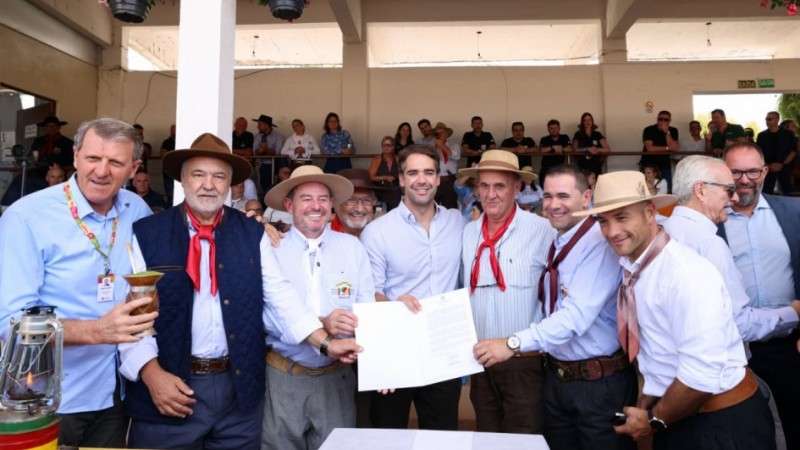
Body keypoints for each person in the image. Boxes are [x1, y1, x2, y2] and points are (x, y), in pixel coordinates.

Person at [120, 133, 360, 449]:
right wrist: (151, 375)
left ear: (232, 184)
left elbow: (280, 296)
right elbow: (131, 316)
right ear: (182, 178)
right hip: (169, 392)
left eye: (219, 176)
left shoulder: (251, 232)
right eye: (199, 175)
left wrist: (326, 343)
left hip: (237, 395)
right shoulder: (147, 233)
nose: (209, 185)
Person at [577, 171, 774, 450]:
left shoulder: (684, 273)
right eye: (603, 221)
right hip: (679, 416)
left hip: (719, 426)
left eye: (622, 217)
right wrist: (648, 406)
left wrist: (652, 421)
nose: (611, 232)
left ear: (649, 213)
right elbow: (660, 354)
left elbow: (701, 376)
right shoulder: (638, 268)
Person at [0, 118, 156, 447]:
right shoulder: (26, 216)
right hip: (50, 399)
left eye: (115, 162)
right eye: (93, 158)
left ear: (134, 167)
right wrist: (96, 331)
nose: (102, 171)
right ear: (75, 156)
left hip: (116, 394)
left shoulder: (136, 210)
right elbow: (10, 321)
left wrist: (261, 228)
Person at [474, 164, 637, 450]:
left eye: (563, 196)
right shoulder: (560, 240)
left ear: (586, 197)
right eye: (548, 197)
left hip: (598, 383)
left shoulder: (598, 243)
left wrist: (512, 343)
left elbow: (575, 317)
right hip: (559, 377)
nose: (553, 205)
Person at [262, 165, 373, 450]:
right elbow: (269, 314)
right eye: (306, 198)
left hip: (336, 379)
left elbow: (367, 310)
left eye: (323, 198)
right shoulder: (269, 246)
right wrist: (322, 322)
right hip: (284, 376)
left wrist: (378, 359)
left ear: (332, 205)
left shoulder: (352, 248)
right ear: (289, 205)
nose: (316, 206)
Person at [360, 144, 465, 431]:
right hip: (396, 350)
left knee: (442, 436)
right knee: (388, 434)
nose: (422, 179)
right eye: (413, 172)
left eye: (429, 172)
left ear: (438, 178)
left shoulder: (457, 222)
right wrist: (393, 306)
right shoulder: (377, 232)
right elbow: (370, 294)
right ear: (402, 179)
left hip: (444, 351)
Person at [460, 150, 555, 434]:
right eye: (484, 186)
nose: (490, 194)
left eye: (499, 186)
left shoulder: (543, 231)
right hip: (480, 363)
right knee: (488, 437)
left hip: (524, 364)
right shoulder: (468, 233)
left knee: (524, 439)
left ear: (517, 188)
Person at [665, 155, 800, 344]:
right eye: (729, 190)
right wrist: (793, 313)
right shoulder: (710, 244)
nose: (735, 198)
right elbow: (739, 325)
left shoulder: (663, 231)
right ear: (700, 190)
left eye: (753, 171)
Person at [720, 143, 800, 450]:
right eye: (735, 171)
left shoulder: (793, 212)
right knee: (744, 434)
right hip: (736, 352)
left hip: (790, 347)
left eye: (752, 170)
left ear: (764, 172)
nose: (744, 179)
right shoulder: (712, 223)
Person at [333, 168, 389, 238]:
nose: (359, 209)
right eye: (351, 200)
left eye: (366, 200)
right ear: (336, 202)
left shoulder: (384, 235)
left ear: (374, 201)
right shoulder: (321, 237)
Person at [757, 111, 797, 195]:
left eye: (769, 119)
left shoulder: (788, 134)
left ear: (777, 120)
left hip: (784, 167)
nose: (767, 121)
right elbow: (759, 153)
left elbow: (793, 151)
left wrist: (782, 164)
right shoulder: (761, 135)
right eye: (766, 119)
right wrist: (768, 165)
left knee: (787, 192)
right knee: (767, 192)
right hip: (767, 168)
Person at [641, 110, 678, 193]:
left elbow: (674, 148)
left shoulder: (673, 130)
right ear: (657, 119)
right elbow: (650, 148)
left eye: (666, 120)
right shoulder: (649, 129)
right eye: (660, 119)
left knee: (667, 189)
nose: (663, 121)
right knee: (646, 188)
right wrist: (668, 148)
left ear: (670, 121)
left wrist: (667, 132)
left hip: (664, 164)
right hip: (648, 163)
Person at [432, 122, 461, 209]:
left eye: (442, 132)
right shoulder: (431, 146)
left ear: (447, 134)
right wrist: (435, 146)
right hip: (434, 181)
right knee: (431, 209)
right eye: (438, 133)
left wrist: (442, 146)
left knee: (450, 209)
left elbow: (456, 156)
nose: (440, 135)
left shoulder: (453, 145)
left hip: (449, 180)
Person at [253, 114, 285, 192]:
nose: (257, 126)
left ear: (266, 125)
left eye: (260, 124)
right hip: (264, 164)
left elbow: (278, 152)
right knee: (265, 183)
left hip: (277, 163)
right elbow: (255, 152)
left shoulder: (278, 136)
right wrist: (261, 150)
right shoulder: (258, 136)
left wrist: (265, 149)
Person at [572, 112, 610, 177]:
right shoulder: (578, 134)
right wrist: (587, 149)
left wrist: (597, 149)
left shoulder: (597, 134)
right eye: (585, 120)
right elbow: (574, 149)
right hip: (582, 164)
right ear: (582, 122)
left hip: (595, 164)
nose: (587, 122)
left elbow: (607, 148)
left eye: (589, 120)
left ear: (592, 121)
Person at [368, 136, 401, 210]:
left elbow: (403, 173)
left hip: (394, 188)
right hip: (380, 188)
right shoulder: (377, 159)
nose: (386, 147)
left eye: (389, 145)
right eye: (384, 145)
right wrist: (385, 177)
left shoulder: (398, 158)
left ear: (393, 147)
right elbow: (370, 177)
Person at [539, 119, 572, 187]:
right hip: (547, 168)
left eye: (556, 128)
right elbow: (541, 150)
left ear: (559, 128)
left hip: (560, 168)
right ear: (548, 129)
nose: (554, 130)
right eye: (551, 128)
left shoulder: (564, 137)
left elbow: (570, 149)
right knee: (544, 188)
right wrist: (553, 147)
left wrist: (562, 148)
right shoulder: (544, 139)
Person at [160, 124, 176, 205]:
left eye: (175, 129)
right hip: (168, 174)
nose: (173, 132)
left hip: (179, 172)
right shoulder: (167, 142)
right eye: (172, 130)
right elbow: (163, 154)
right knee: (170, 196)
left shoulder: (183, 140)